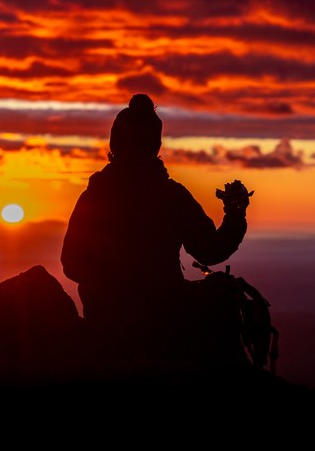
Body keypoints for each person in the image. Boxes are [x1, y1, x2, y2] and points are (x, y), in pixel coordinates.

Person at [60, 94, 252, 365]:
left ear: (115, 143)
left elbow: (71, 265)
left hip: (106, 322)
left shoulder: (93, 197)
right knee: (224, 293)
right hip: (165, 319)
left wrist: (110, 279)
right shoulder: (171, 196)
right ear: (155, 145)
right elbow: (211, 250)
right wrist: (235, 214)